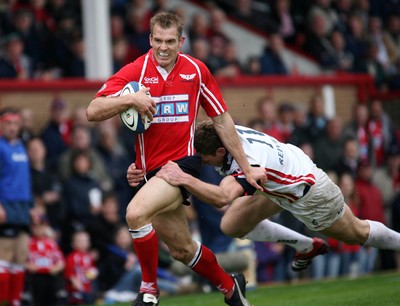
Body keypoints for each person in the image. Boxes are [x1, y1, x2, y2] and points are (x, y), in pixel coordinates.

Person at [86, 12, 267, 306]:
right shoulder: (136, 71)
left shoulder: (196, 71)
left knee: (134, 214)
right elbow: (93, 110)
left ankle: (148, 291)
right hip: (149, 174)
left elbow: (222, 121)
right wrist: (131, 99)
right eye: (157, 40)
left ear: (181, 41)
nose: (163, 47)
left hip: (180, 166)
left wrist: (247, 168)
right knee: (182, 250)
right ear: (150, 39)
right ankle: (231, 289)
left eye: (170, 41)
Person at [155, 122, 400, 277]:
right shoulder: (223, 129)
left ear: (220, 152)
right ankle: (306, 246)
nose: (203, 162)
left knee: (357, 232)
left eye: (206, 159)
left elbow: (221, 197)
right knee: (231, 225)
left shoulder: (248, 163)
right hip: (279, 179)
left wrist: (183, 179)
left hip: (311, 193)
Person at [0, 107, 38, 306]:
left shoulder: (21, 147)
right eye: (8, 123)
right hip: (6, 206)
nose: (12, 127)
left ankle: (15, 301)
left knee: (21, 255)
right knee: (4, 255)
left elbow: (25, 179)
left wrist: (31, 206)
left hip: (23, 207)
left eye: (15, 123)